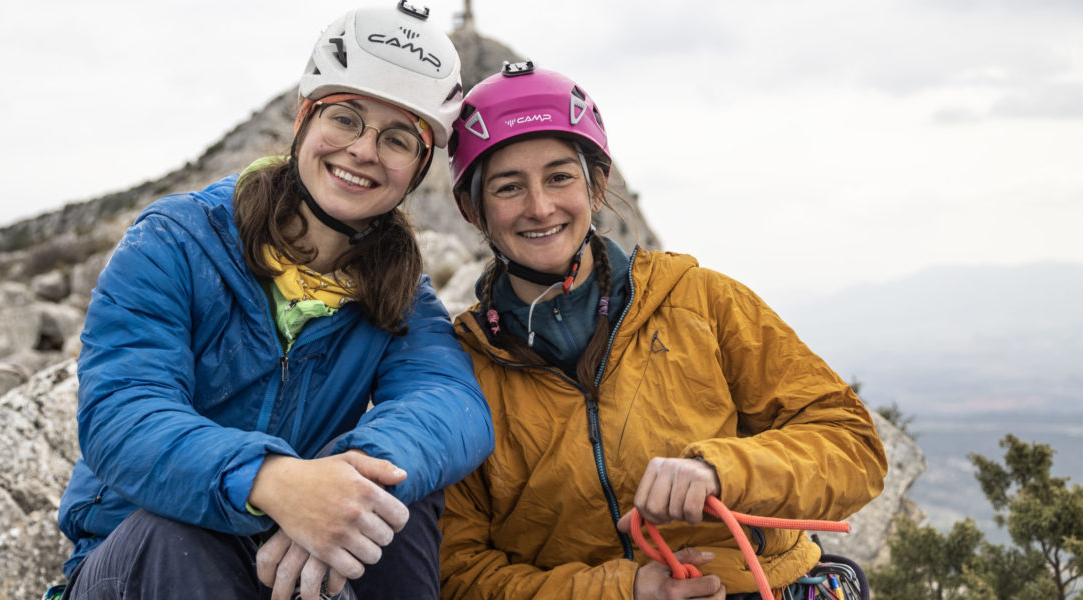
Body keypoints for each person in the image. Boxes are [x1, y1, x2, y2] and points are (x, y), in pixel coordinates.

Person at [53, 4, 494, 600]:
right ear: (303, 120)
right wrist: (271, 481)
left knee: (393, 500)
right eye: (346, 118)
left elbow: (451, 405)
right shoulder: (178, 240)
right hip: (134, 559)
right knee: (180, 534)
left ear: (416, 171)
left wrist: (342, 484)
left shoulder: (398, 289)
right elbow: (121, 413)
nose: (364, 151)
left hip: (283, 560)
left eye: (397, 139)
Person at [438, 61, 888, 600]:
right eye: (509, 187)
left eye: (560, 177)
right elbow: (458, 571)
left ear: (597, 184)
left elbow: (853, 447)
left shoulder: (700, 301)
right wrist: (622, 591)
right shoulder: (463, 367)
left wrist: (723, 470)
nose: (540, 207)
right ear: (472, 209)